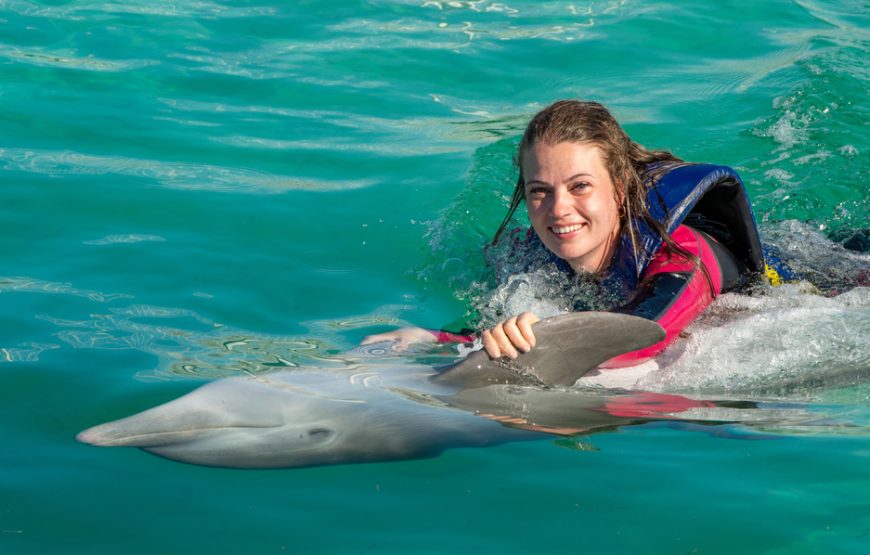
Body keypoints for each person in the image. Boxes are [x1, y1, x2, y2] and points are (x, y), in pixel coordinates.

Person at [363, 100, 769, 368]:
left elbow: (642, 335)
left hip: (822, 283)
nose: (558, 210)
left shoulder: (681, 256)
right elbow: (490, 331)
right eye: (540, 191)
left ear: (621, 187)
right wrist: (430, 337)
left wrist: (544, 337)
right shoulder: (535, 257)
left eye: (580, 186)